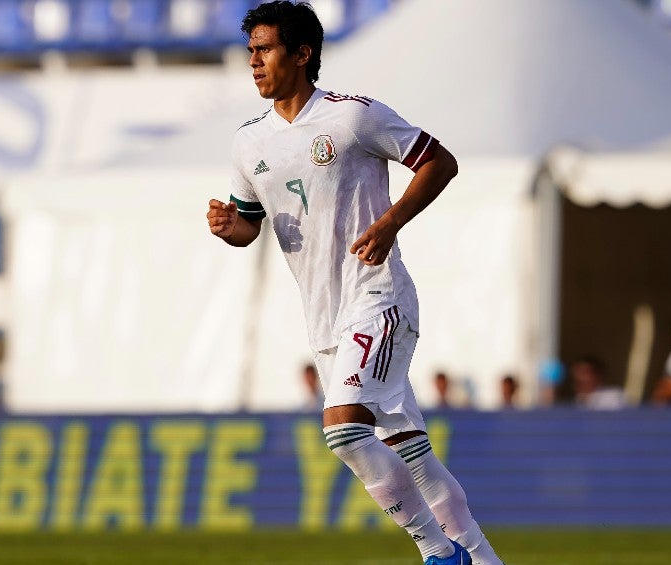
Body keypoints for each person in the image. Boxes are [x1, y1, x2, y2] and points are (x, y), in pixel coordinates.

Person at [205, 3, 500, 563]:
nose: (254, 63)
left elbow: (440, 162)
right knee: (412, 452)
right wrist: (229, 227)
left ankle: (438, 552)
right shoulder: (249, 143)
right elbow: (250, 227)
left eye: (264, 49)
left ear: (302, 54)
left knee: (343, 431)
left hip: (379, 298)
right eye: (251, 52)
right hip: (325, 319)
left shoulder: (352, 117)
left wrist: (389, 222)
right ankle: (483, 559)